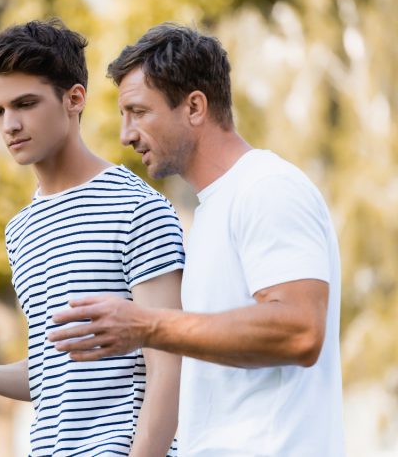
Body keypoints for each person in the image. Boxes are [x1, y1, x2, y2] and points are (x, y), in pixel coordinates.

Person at [49, 23, 345, 456]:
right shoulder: (211, 212)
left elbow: (300, 329)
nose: (126, 135)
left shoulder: (267, 187)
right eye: (123, 116)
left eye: (139, 112)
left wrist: (147, 325)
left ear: (194, 107)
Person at [0, 19, 186, 456]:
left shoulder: (137, 207)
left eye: (25, 104)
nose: (10, 125)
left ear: (74, 99)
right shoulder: (21, 229)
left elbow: (169, 364)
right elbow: (54, 373)